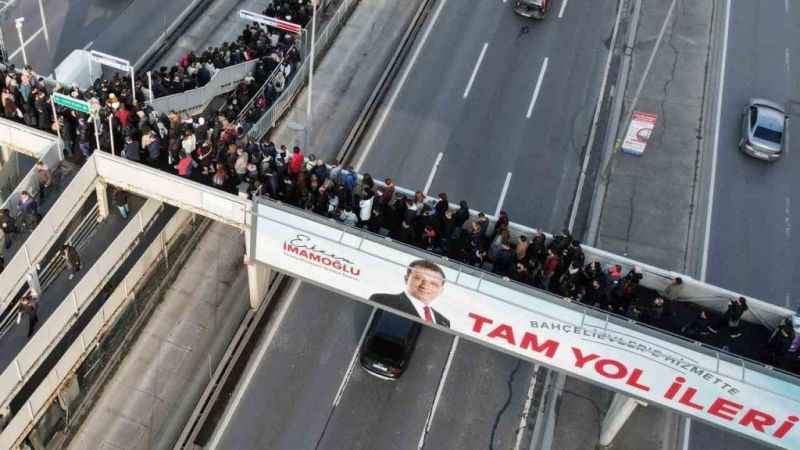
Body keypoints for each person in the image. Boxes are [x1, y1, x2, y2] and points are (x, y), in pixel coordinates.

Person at [368, 259, 450, 328]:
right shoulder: (383, 301)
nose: (425, 286)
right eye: (419, 278)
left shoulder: (443, 322)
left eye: (433, 283)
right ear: (406, 279)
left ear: (441, 290)